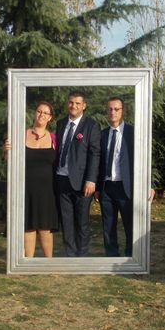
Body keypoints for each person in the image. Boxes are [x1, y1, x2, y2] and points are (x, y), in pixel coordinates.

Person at [96, 97, 154, 257]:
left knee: (130, 224)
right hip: (107, 187)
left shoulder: (133, 133)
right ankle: (111, 255)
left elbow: (145, 159)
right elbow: (98, 162)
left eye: (116, 109)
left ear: (123, 111)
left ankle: (131, 255)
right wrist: (96, 186)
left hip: (126, 187)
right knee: (108, 225)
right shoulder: (103, 135)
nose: (112, 112)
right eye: (110, 109)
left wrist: (151, 184)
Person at [5, 101, 59, 257]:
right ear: (35, 113)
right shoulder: (20, 135)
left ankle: (48, 263)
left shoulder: (55, 138)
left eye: (46, 113)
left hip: (47, 190)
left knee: (45, 228)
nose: (42, 115)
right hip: (25, 188)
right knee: (28, 226)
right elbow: (10, 161)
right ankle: (28, 262)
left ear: (50, 118)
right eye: (39, 111)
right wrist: (7, 151)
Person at [55, 91, 101, 257]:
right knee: (66, 221)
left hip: (82, 183)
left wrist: (91, 180)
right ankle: (70, 255)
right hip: (61, 179)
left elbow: (95, 154)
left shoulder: (91, 125)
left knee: (82, 222)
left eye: (77, 103)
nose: (73, 106)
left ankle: (82, 256)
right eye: (71, 102)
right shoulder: (60, 124)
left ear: (84, 106)